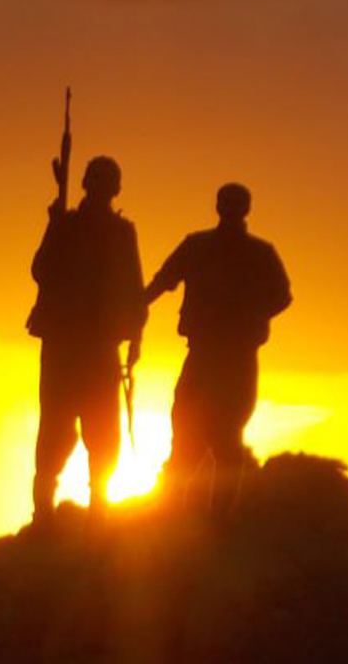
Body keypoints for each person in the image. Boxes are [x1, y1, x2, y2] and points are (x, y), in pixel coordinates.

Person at [144, 182, 291, 501]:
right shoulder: (201, 246)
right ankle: (176, 505)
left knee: (223, 437)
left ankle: (216, 513)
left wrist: (248, 316)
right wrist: (134, 306)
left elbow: (282, 296)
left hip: (235, 358)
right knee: (187, 430)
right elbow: (163, 280)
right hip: (206, 355)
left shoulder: (257, 253)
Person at [27, 155, 146, 524]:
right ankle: (47, 512)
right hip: (68, 345)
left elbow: (133, 288)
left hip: (95, 345)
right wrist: (55, 225)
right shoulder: (68, 225)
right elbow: (41, 270)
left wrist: (135, 338)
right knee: (58, 431)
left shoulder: (119, 232)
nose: (103, 190)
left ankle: (94, 510)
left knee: (100, 432)